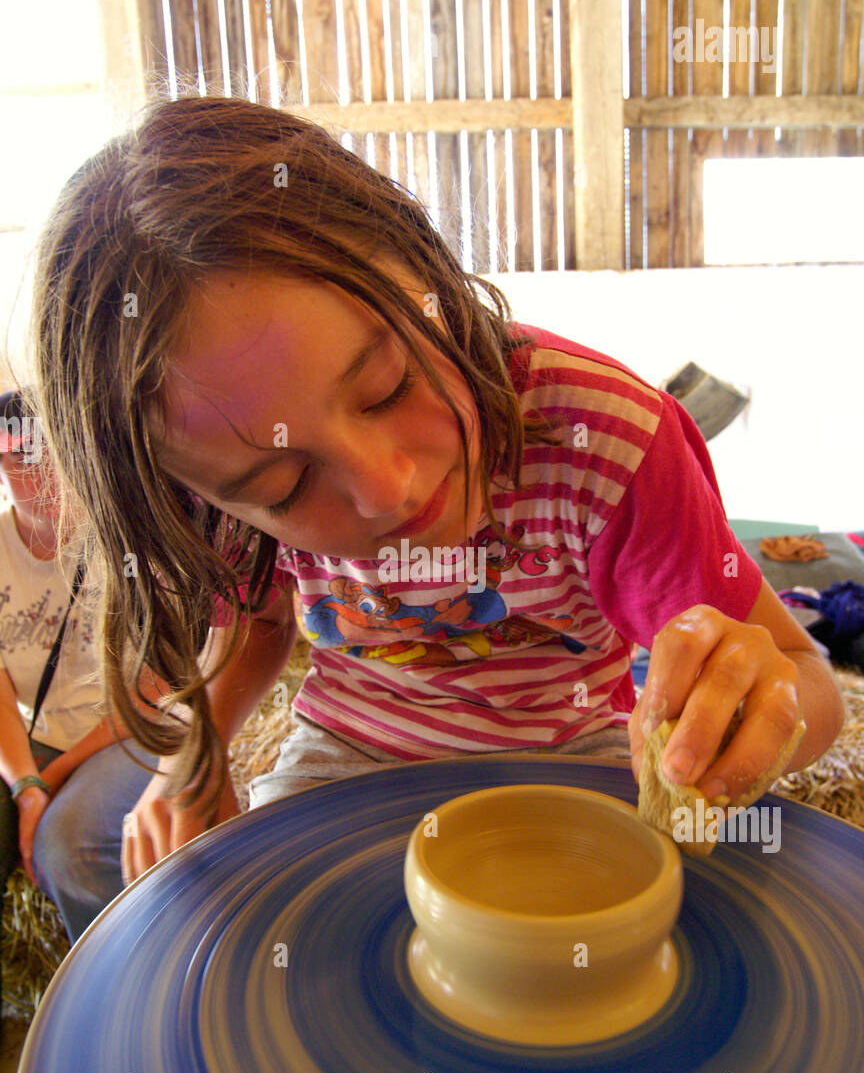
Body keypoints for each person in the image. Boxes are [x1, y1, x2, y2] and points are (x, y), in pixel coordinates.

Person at [25, 95, 844, 885]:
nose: (389, 489)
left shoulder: (614, 440)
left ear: (428, 273)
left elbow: (806, 678)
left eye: (386, 385)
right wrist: (194, 753)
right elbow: (260, 621)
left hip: (569, 752)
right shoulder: (205, 460)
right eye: (285, 483)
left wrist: (762, 703)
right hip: (348, 753)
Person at [0, 388, 162, 950]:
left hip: (133, 731)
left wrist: (57, 773)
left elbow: (153, 689)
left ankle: (116, 973)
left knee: (66, 851)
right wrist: (24, 783)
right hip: (38, 739)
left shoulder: (122, 540)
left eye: (52, 450)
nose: (40, 470)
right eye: (20, 456)